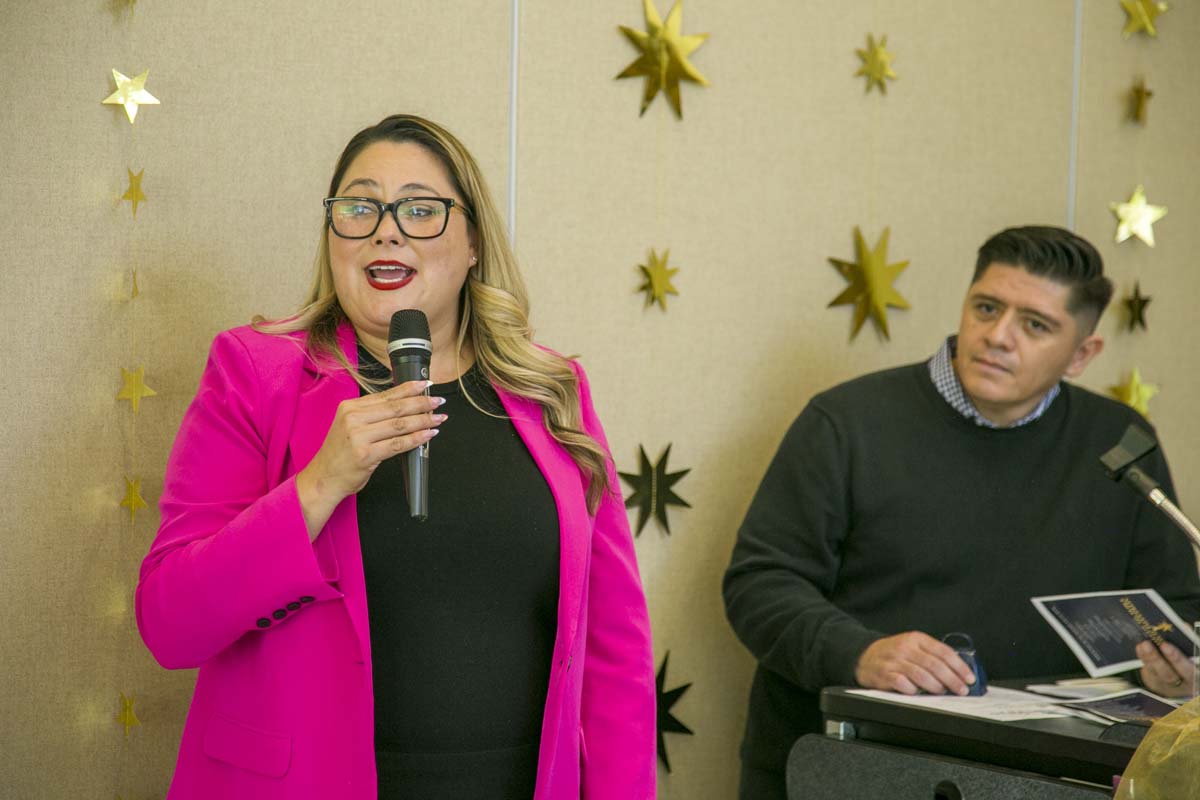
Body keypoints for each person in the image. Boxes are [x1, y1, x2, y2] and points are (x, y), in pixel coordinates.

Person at [136, 114, 656, 800]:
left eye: (420, 209)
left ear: (473, 243)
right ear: (333, 238)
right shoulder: (255, 374)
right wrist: (319, 485)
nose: (387, 229)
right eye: (359, 207)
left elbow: (614, 654)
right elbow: (171, 622)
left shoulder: (553, 391)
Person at [722, 226, 1200, 800]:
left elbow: (1173, 611)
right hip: (843, 763)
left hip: (1041, 778)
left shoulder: (1120, 442)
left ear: (1081, 355)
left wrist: (1165, 669)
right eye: (987, 307)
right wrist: (858, 652)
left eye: (1035, 325)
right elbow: (759, 583)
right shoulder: (846, 422)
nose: (998, 336)